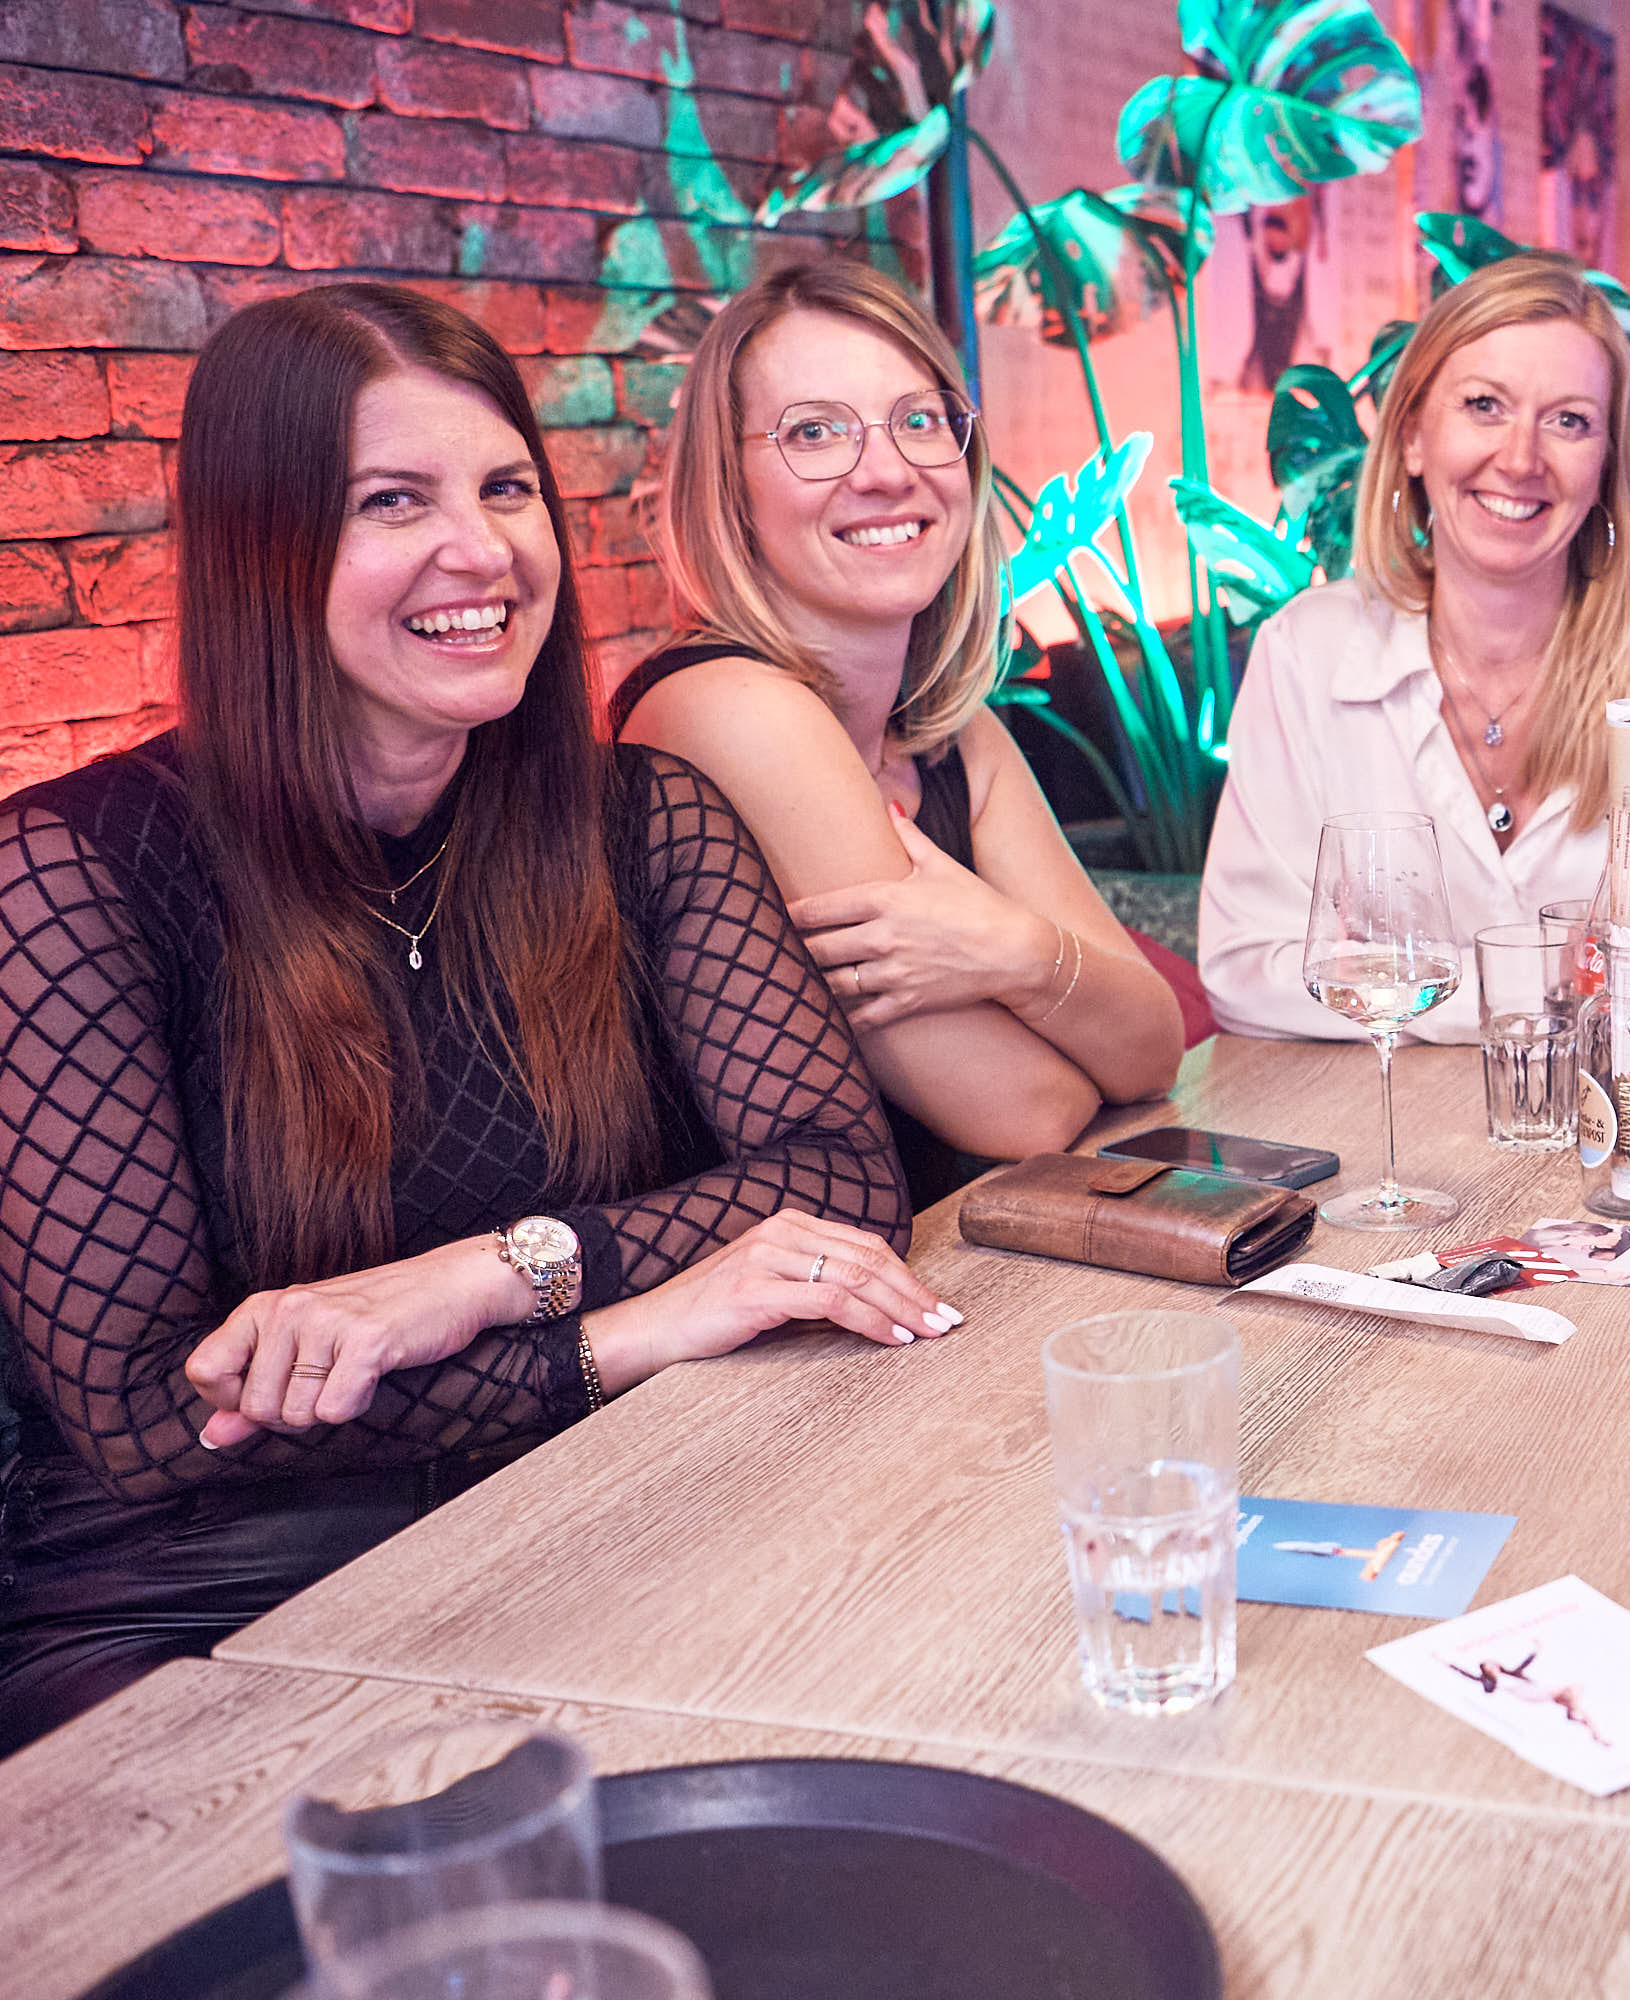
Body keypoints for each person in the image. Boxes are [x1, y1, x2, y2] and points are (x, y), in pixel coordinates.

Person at [0, 285, 945, 1755]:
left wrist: (491, 1277)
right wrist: (619, 1334)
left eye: (507, 489)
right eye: (394, 501)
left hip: (589, 1507)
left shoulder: (642, 818)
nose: (485, 551)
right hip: (207, 1593)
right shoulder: (72, 872)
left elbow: (839, 1176)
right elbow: (150, 1415)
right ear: (262, 547)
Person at [617, 262, 1183, 1208]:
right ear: (730, 485)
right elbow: (1029, 1111)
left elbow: (1153, 1047)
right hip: (730, 1292)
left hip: (944, 1263)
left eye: (919, 420)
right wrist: (1064, 989)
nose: (886, 472)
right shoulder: (724, 707)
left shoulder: (951, 734)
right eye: (814, 432)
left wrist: (1009, 949)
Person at [1198, 253, 1630, 1041]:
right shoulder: (1305, 650)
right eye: (1484, 406)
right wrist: (1571, 981)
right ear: (1412, 438)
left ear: (1607, 462)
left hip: (1629, 1111)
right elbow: (1247, 972)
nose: (1522, 459)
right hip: (1374, 1116)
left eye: (1569, 421)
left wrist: (1398, 983)